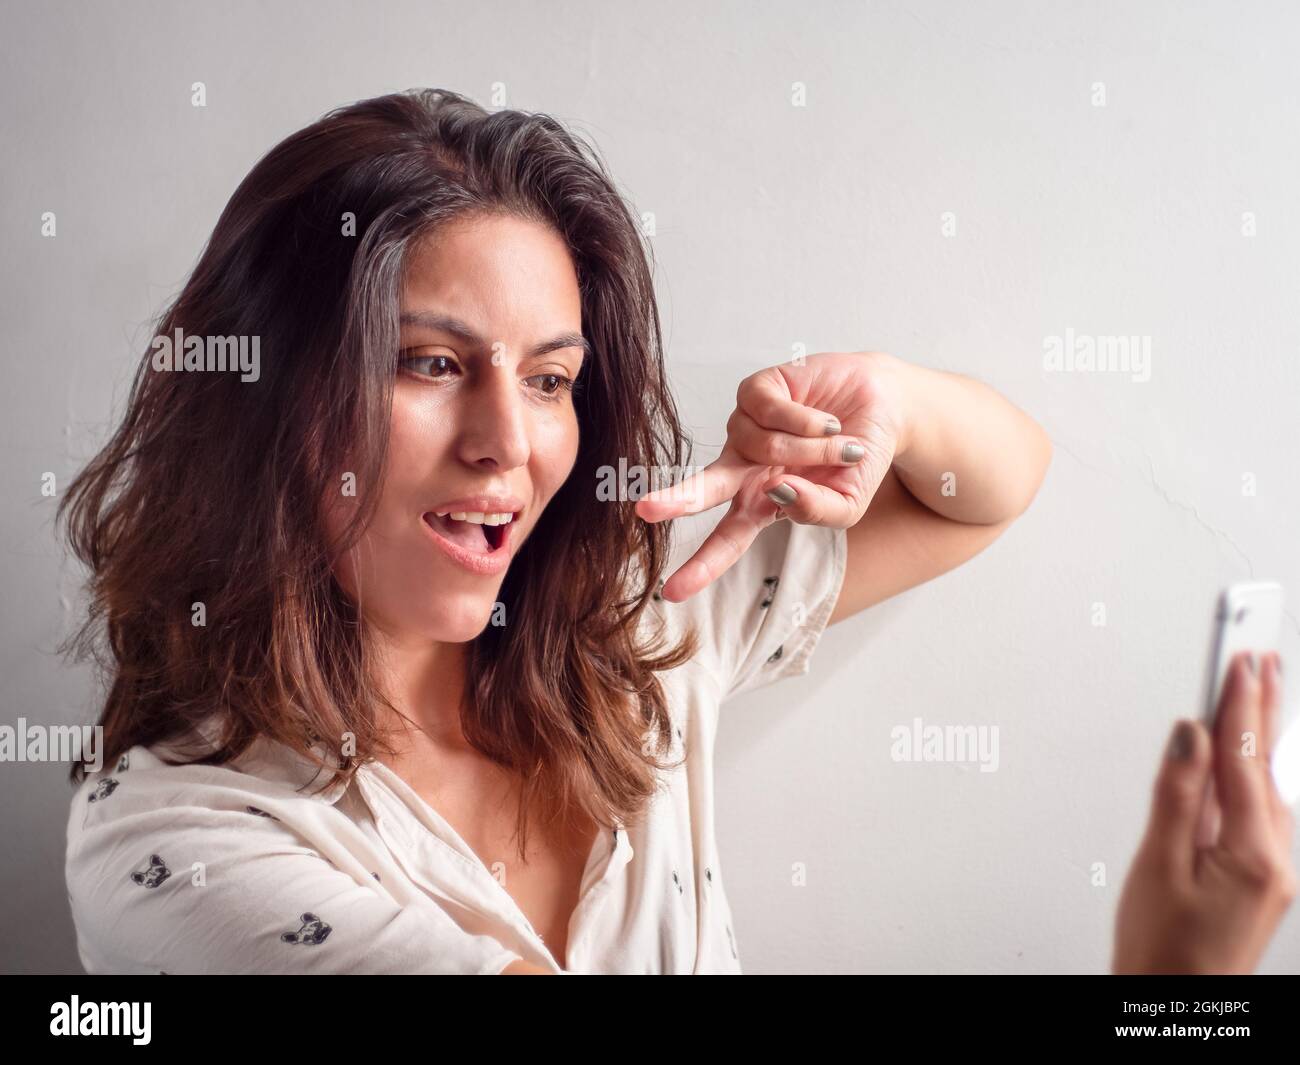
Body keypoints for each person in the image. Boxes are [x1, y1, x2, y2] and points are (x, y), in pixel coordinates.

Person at [57, 88, 1291, 974]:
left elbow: (992, 483)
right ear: (268, 391)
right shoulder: (174, 841)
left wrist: (884, 407)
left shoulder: (627, 628)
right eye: (429, 363)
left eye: (548, 380)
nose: (506, 442)